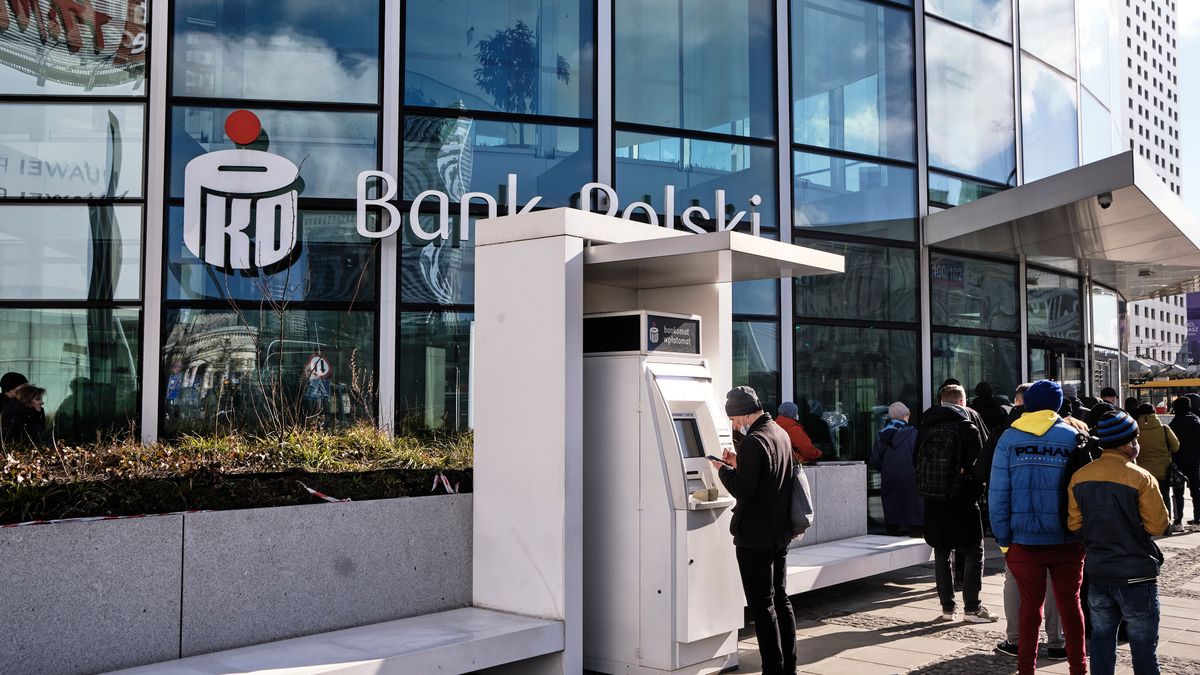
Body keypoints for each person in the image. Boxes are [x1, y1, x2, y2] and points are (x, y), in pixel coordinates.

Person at [989, 380, 1088, 675]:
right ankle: (1078, 668)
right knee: (1071, 607)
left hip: (1023, 539)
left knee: (1029, 609)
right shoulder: (1074, 437)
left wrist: (1004, 540)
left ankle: (1025, 670)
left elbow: (997, 494)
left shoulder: (1009, 438)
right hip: (1066, 539)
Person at [1068, 410, 1170, 675]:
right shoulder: (1141, 478)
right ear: (1128, 443)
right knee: (1144, 647)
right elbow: (1157, 525)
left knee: (1101, 641)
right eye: (1135, 439)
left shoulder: (1080, 476)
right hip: (1136, 575)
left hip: (1099, 572)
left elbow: (1074, 524)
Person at [712, 386, 796, 675]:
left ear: (745, 413)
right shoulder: (779, 433)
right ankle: (789, 667)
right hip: (779, 533)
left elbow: (743, 490)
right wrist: (739, 463)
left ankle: (772, 668)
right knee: (781, 599)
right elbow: (767, 475)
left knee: (762, 608)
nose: (735, 426)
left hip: (755, 537)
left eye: (735, 419)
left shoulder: (753, 442)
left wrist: (721, 469)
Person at [915, 384, 997, 624]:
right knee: (973, 551)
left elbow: (915, 461)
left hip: (933, 499)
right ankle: (972, 608)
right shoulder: (967, 427)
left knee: (941, 552)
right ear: (963, 402)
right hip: (962, 501)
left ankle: (947, 608)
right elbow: (980, 468)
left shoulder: (925, 426)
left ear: (941, 401)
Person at [869, 402, 922, 536]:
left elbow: (875, 460)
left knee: (892, 511)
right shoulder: (915, 434)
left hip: (890, 478)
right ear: (906, 415)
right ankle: (916, 539)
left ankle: (892, 538)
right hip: (912, 478)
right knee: (914, 510)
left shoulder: (882, 435)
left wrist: (887, 469)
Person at [1133, 402, 1181, 533]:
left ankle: (1146, 525)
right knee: (1164, 496)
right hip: (1163, 470)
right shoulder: (1164, 429)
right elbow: (1175, 446)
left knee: (1144, 499)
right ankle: (1165, 525)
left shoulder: (1135, 430)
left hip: (1142, 472)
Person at [1169, 397, 1200, 526]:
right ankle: (1197, 519)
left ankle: (1178, 521)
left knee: (1178, 492)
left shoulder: (1173, 424)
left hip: (1178, 461)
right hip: (1194, 461)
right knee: (1196, 490)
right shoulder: (1197, 422)